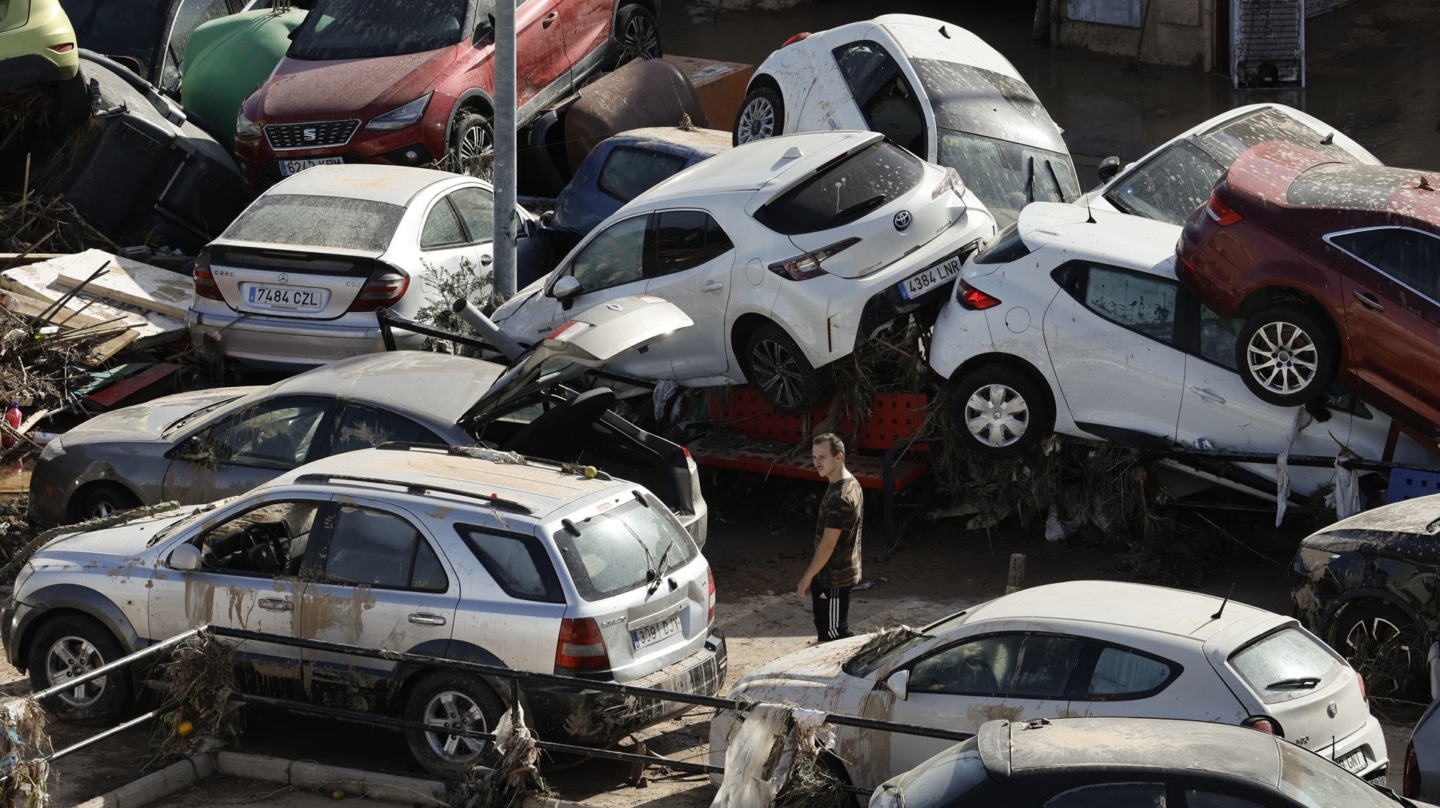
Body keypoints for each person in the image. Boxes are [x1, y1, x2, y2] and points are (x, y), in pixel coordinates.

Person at [797, 432, 863, 643]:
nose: (816, 463)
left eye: (822, 457)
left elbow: (827, 544)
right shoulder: (849, 482)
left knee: (835, 635)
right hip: (830, 574)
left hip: (834, 578)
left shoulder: (840, 497)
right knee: (827, 630)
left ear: (839, 457)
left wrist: (807, 576)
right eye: (814, 457)